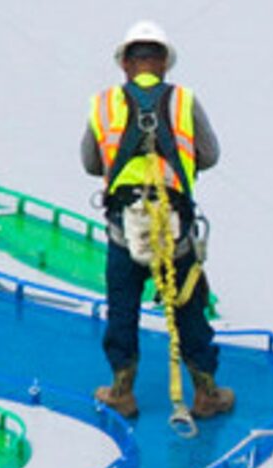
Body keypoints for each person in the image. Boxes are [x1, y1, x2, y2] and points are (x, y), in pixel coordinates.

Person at [81, 21, 234, 421]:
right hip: (174, 225)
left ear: (126, 65)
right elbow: (211, 154)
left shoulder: (103, 105)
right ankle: (206, 393)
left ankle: (121, 391)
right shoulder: (183, 102)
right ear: (163, 63)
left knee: (122, 306)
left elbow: (89, 162)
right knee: (187, 304)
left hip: (123, 224)